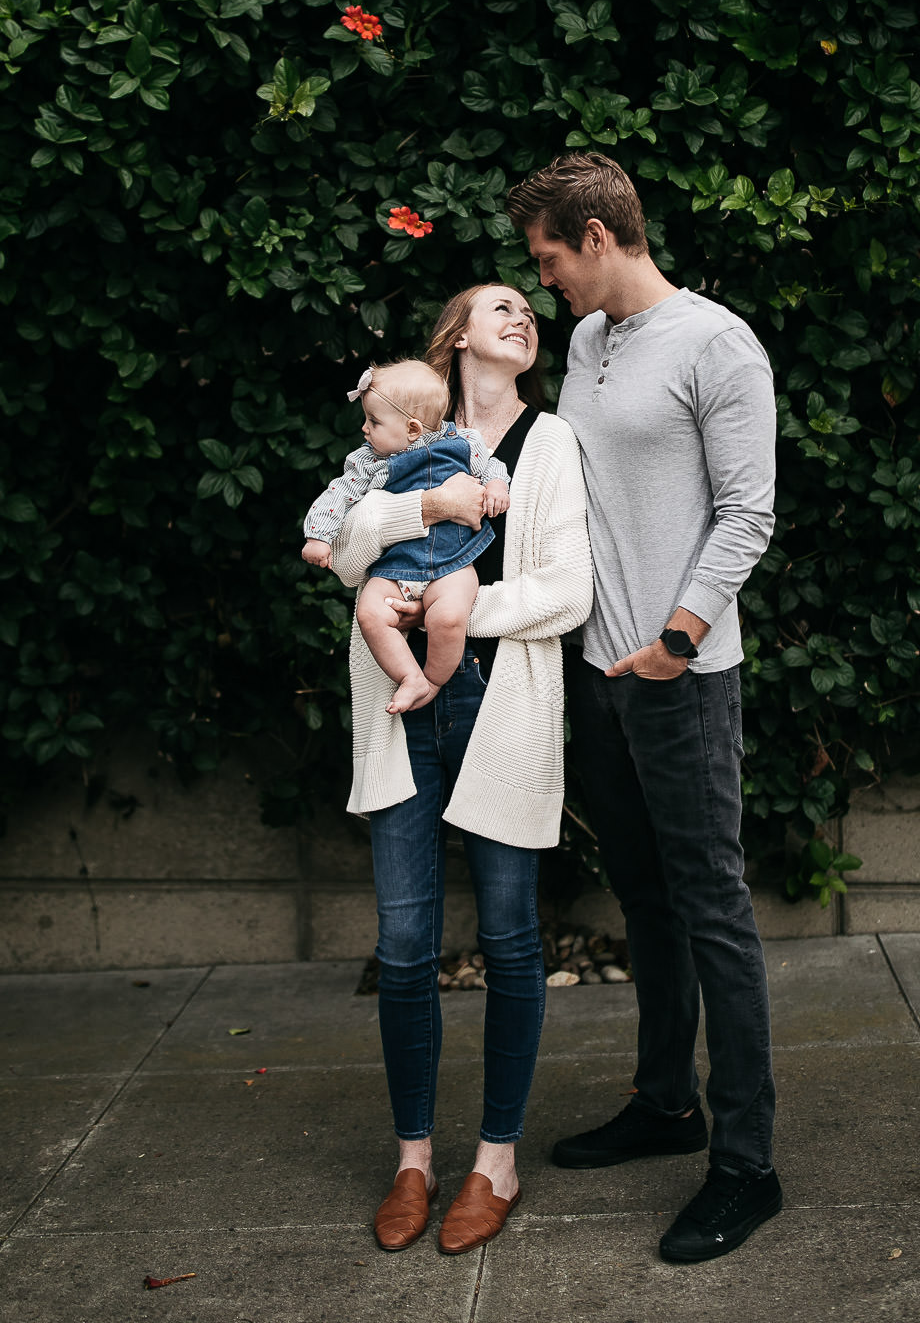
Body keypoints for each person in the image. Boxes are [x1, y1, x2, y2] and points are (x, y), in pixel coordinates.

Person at [506, 152, 782, 1266]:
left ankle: (747, 1164)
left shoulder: (717, 344)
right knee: (647, 899)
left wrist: (676, 640)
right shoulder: (586, 342)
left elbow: (748, 512)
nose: (544, 281)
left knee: (714, 907)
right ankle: (667, 1102)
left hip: (681, 678)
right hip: (597, 677)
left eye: (550, 258)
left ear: (599, 235)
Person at [320, 286, 592, 1255]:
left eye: (530, 309)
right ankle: (414, 1159)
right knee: (402, 947)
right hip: (400, 712)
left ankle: (497, 1161)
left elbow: (566, 592)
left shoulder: (549, 442)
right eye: (500, 306)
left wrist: (444, 609)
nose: (522, 318)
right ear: (458, 336)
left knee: (512, 938)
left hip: (499, 701)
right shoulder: (401, 426)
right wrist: (427, 507)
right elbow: (347, 552)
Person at [301, 359, 510, 713]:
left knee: (447, 617)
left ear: (413, 428)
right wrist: (319, 535)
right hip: (396, 567)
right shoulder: (369, 462)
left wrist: (495, 484)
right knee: (369, 612)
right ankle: (409, 675)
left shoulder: (463, 441)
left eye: (374, 421)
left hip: (453, 562)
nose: (365, 429)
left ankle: (432, 679)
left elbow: (490, 464)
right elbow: (339, 494)